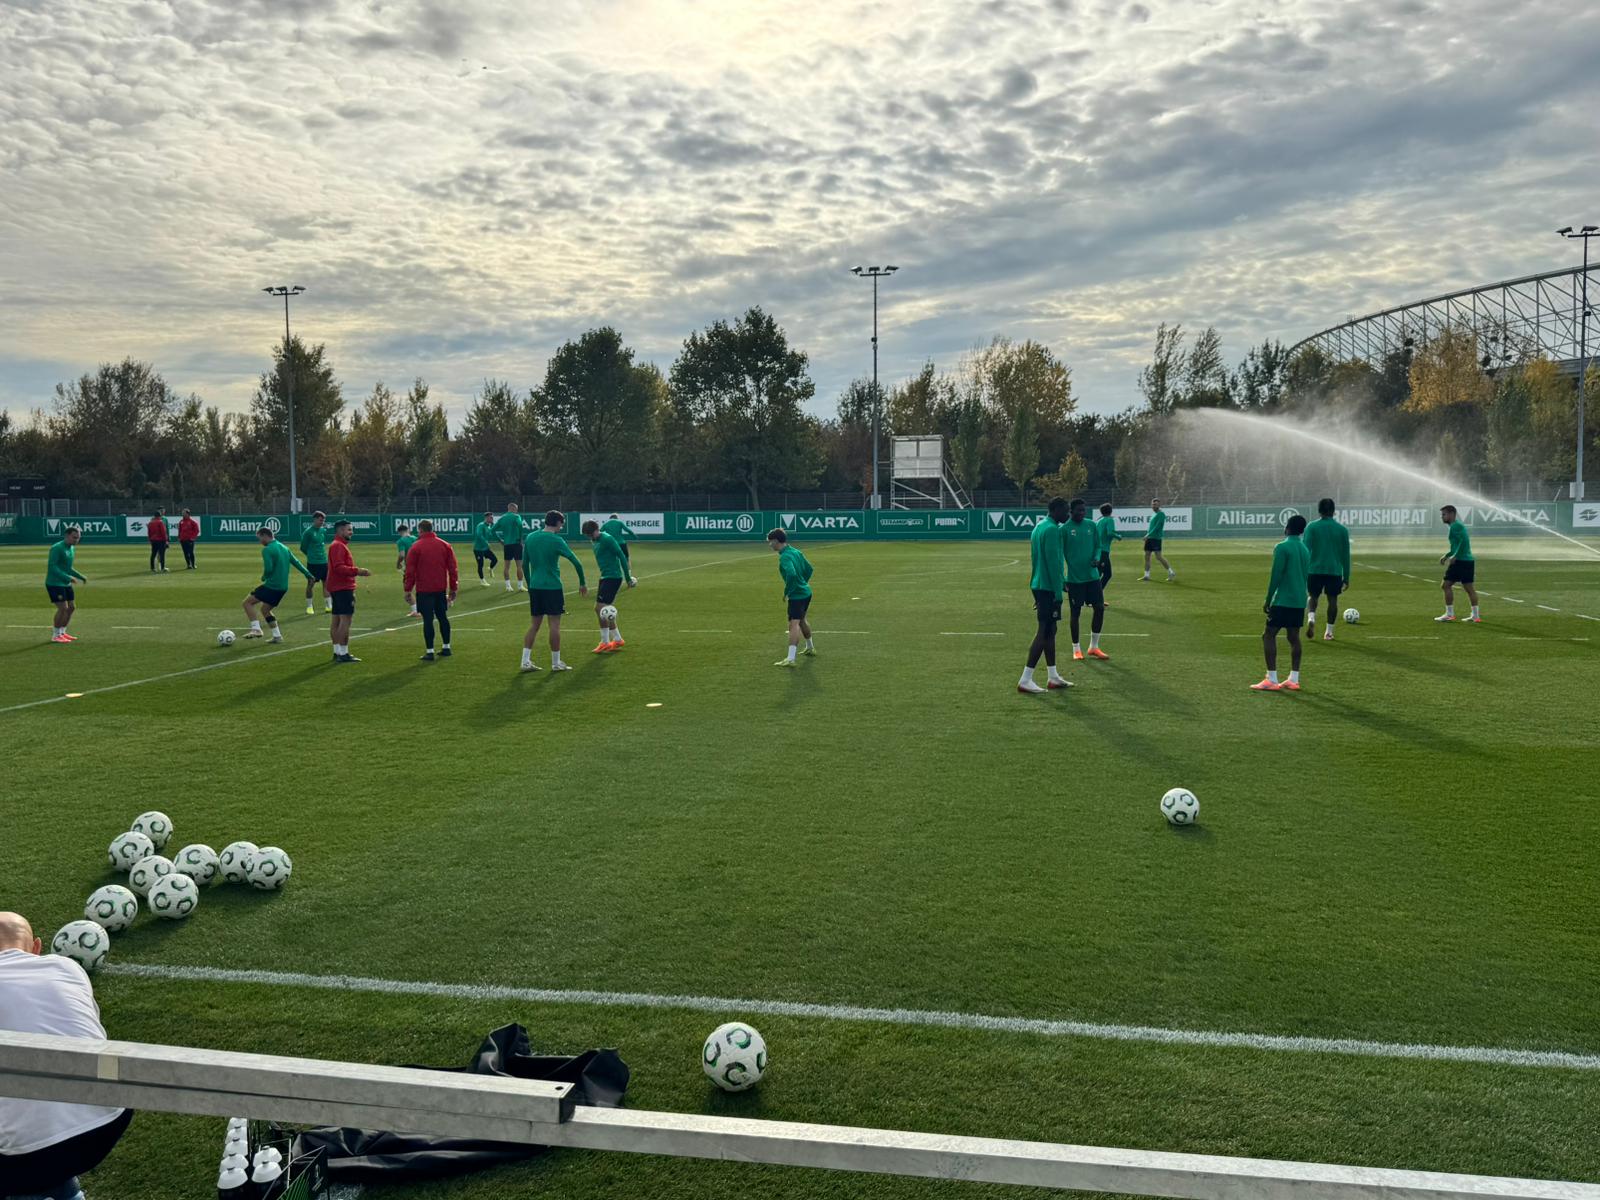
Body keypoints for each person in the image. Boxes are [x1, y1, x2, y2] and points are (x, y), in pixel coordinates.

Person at [0, 911, 133, 1199]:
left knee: (31, 1138)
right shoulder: (66, 968)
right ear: (36, 947)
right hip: (111, 1117)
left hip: (31, 1151)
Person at [521, 510, 586, 672]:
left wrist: (529, 585)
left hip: (535, 586)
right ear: (557, 523)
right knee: (554, 626)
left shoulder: (530, 537)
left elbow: (524, 565)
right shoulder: (557, 540)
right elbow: (576, 562)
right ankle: (556, 663)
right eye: (561, 523)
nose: (562, 526)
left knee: (534, 625)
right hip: (552, 587)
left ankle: (525, 661)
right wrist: (582, 583)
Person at [1253, 513, 1311, 692]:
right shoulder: (1304, 549)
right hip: (1299, 599)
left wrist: (1268, 599)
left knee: (1268, 635)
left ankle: (1271, 678)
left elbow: (1276, 576)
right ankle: (1294, 679)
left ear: (1287, 528)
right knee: (1294, 637)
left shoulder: (1282, 547)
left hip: (1283, 599)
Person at [1019, 498, 1071, 693]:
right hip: (1049, 588)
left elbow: (1037, 560)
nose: (1067, 515)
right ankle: (1026, 679)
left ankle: (1053, 676)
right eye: (1065, 510)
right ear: (1055, 510)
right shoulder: (1052, 530)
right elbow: (1053, 562)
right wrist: (1059, 591)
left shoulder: (1039, 527)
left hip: (1040, 584)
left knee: (1051, 630)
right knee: (1044, 630)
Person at [243, 528, 313, 643]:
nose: (260, 541)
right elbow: (296, 562)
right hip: (282, 588)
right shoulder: (284, 547)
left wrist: (264, 577)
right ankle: (277, 636)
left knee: (247, 603)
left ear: (265, 535)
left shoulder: (267, 549)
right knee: (265, 610)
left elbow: (269, 569)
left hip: (272, 586)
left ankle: (256, 629)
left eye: (259, 538)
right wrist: (308, 574)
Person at [403, 520, 458, 662]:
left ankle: (430, 651)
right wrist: (453, 588)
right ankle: (446, 647)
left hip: (424, 589)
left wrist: (408, 589)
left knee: (428, 620)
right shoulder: (445, 545)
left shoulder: (415, 547)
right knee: (442, 617)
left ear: (420, 530)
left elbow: (410, 571)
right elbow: (453, 569)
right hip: (440, 588)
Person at [1063, 498, 1109, 661]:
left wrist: (1096, 558)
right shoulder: (1065, 529)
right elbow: (1059, 555)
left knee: (1099, 608)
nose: (1082, 513)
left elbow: (1098, 546)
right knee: (1076, 613)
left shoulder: (1091, 525)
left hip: (1093, 577)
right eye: (1078, 511)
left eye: (1084, 510)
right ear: (1071, 511)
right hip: (1075, 580)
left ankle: (1094, 647)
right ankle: (1076, 648)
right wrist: (1063, 578)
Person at [1303, 498, 1351, 642]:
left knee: (1313, 596)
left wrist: (1303, 570)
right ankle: (1328, 632)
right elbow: (1345, 556)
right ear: (1333, 511)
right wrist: (1346, 577)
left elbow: (1306, 550)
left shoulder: (1311, 527)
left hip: (1314, 569)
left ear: (1319, 510)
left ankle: (1311, 617)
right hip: (1334, 570)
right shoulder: (1342, 530)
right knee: (1333, 600)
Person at [767, 528, 814, 668]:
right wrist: (803, 583)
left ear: (776, 541)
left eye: (770, 542)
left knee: (793, 624)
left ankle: (790, 658)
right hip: (806, 593)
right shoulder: (796, 551)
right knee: (802, 620)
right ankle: (810, 647)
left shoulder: (785, 556)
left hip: (797, 595)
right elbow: (809, 569)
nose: (770, 545)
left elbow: (792, 575)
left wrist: (788, 590)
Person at [326, 519, 372, 664]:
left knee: (337, 620)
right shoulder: (338, 546)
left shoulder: (337, 545)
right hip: (343, 587)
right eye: (349, 530)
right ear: (340, 531)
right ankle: (343, 653)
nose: (352, 532)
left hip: (337, 587)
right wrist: (358, 571)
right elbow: (339, 568)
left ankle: (337, 651)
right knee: (345, 620)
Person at [582, 519, 629, 652]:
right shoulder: (595, 540)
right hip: (605, 577)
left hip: (613, 577)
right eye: (587, 536)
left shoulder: (607, 539)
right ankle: (618, 640)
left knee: (599, 609)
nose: (589, 538)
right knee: (606, 611)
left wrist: (627, 577)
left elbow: (621, 555)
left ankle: (605, 642)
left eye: (591, 534)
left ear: (597, 530)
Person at [1436, 504, 1480, 623]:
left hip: (1461, 561)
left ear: (1451, 514)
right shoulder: (1455, 526)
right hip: (1465, 560)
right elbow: (1456, 545)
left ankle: (1450, 614)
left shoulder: (1456, 526)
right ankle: (1475, 616)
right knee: (1467, 588)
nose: (1442, 517)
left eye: (1444, 514)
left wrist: (1455, 555)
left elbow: (1464, 542)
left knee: (1447, 585)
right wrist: (1447, 555)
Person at [45, 526, 86, 644]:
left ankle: (63, 632)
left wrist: (80, 576)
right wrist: (67, 577)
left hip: (65, 583)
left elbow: (67, 568)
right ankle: (55, 635)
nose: (76, 540)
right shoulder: (57, 548)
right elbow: (52, 567)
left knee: (72, 607)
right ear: (67, 536)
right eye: (74, 538)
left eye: (78, 538)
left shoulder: (71, 548)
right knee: (63, 609)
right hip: (55, 583)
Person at [299, 511, 333, 615]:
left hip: (324, 562)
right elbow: (303, 547)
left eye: (323, 520)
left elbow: (321, 545)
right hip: (313, 563)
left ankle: (328, 606)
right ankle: (309, 606)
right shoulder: (308, 532)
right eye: (320, 519)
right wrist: (311, 556)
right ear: (314, 519)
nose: (322, 522)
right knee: (310, 584)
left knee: (326, 583)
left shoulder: (323, 531)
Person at [495, 504, 527, 592]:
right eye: (516, 509)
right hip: (516, 544)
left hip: (507, 544)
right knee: (519, 566)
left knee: (506, 566)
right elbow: (520, 526)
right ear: (514, 509)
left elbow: (492, 530)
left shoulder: (502, 518)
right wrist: (521, 539)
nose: (517, 511)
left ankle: (508, 586)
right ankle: (520, 586)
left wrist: (500, 540)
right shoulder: (516, 516)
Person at [1141, 499, 1174, 581]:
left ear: (1159, 505)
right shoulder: (1153, 514)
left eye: (1155, 504)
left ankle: (1171, 572)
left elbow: (1157, 527)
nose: (1153, 506)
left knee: (1158, 557)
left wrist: (1148, 534)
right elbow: (1152, 527)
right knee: (1147, 556)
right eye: (1152, 504)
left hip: (1156, 538)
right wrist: (1148, 535)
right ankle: (1146, 575)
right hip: (1150, 538)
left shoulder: (1161, 514)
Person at [601, 514, 639, 584]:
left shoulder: (606, 524)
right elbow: (628, 530)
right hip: (621, 543)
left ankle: (615, 577)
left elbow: (600, 532)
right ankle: (629, 576)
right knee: (626, 559)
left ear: (610, 518)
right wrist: (634, 536)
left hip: (611, 544)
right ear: (617, 518)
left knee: (613, 560)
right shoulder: (619, 522)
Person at [1095, 503, 1122, 593]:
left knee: (1105, 574)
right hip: (1103, 550)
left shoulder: (1099, 520)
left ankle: (1096, 595)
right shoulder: (1109, 520)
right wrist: (1118, 536)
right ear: (1111, 511)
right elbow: (1110, 532)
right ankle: (1093, 596)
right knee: (1100, 574)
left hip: (1098, 549)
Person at [395, 524, 420, 616]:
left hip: (410, 568)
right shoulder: (416, 538)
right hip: (421, 567)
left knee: (407, 591)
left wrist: (398, 564)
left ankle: (415, 610)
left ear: (399, 532)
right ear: (408, 530)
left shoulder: (401, 541)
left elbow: (402, 554)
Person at [472, 511, 499, 587]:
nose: (492, 519)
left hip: (485, 549)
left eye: (492, 517)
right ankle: (482, 580)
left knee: (495, 560)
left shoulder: (489, 526)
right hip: (478, 549)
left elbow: (493, 534)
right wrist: (486, 543)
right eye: (491, 517)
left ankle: (490, 569)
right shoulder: (480, 525)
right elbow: (479, 535)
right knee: (480, 565)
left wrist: (500, 541)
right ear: (486, 518)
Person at [146, 509, 169, 573]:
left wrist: (150, 540)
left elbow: (149, 533)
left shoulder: (150, 523)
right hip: (161, 540)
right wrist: (166, 540)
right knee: (162, 555)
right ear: (159, 516)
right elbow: (163, 532)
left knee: (153, 554)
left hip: (153, 540)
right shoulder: (160, 522)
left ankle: (152, 568)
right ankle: (162, 568)